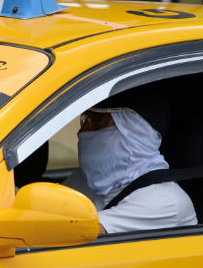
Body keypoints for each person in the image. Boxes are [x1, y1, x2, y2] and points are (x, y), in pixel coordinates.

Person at [67, 93, 197, 234]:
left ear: (137, 134)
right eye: (85, 120)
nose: (82, 131)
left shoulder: (167, 202)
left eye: (99, 122)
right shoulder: (84, 179)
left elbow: (72, 233)